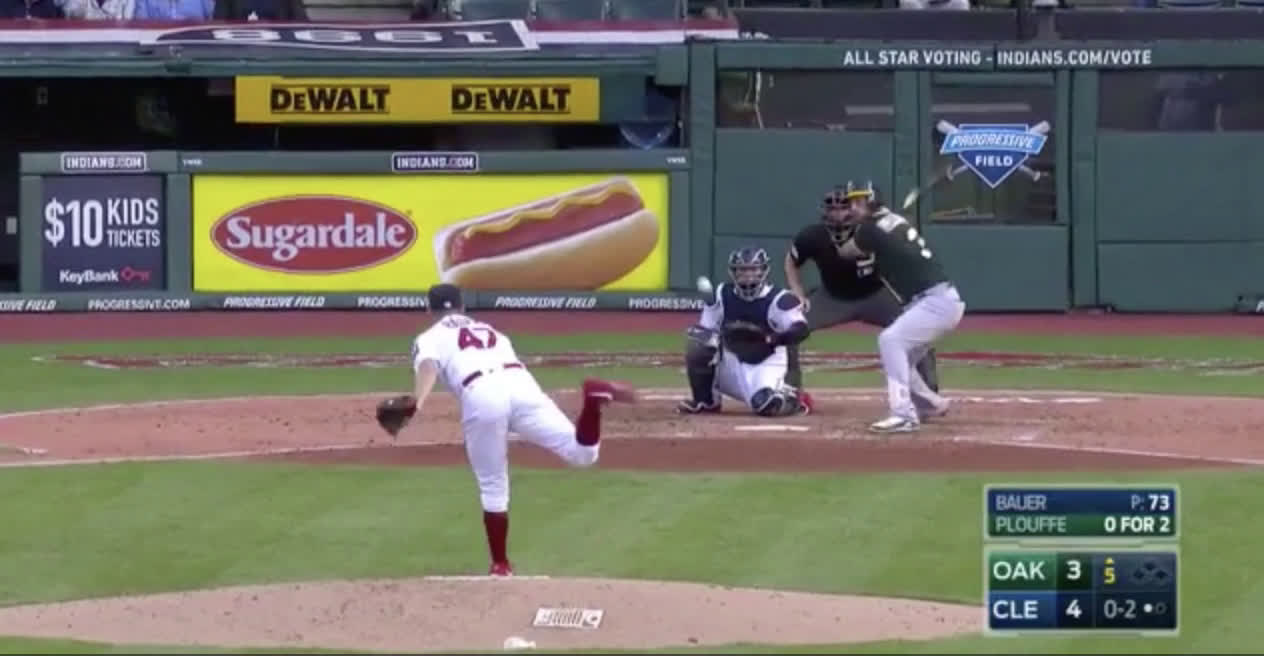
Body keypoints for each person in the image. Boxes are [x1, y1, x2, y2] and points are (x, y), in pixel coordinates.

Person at [406, 283, 637, 576]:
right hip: (522, 386)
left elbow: (428, 367)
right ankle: (592, 402)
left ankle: (500, 565)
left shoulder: (429, 337)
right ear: (462, 306)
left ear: (429, 309)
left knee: (493, 483)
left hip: (481, 393)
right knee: (582, 454)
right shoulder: (492, 331)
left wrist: (416, 402)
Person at [784, 184, 940, 403]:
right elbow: (791, 261)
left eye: (843, 208)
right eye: (833, 209)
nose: (837, 214)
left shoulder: (872, 230)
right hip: (833, 298)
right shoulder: (813, 235)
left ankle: (928, 392)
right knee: (789, 327)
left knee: (917, 328)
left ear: (853, 209)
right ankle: (791, 390)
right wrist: (798, 292)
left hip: (876, 295)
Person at [832, 182, 963, 433]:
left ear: (872, 200)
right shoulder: (891, 221)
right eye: (852, 202)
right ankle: (931, 404)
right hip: (937, 301)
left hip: (935, 302)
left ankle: (903, 414)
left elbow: (846, 252)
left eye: (859, 201)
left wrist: (842, 233)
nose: (853, 207)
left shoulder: (869, 229)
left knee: (890, 341)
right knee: (903, 359)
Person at [678, 247, 814, 417]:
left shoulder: (780, 299)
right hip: (731, 361)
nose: (748, 275)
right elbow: (707, 329)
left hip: (766, 365)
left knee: (768, 406)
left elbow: (801, 329)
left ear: (764, 271)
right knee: (699, 343)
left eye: (753, 269)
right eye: (742, 270)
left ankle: (793, 399)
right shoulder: (721, 294)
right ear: (733, 272)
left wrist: (773, 338)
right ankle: (706, 401)